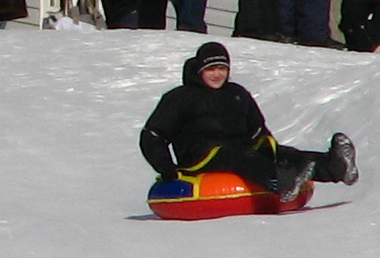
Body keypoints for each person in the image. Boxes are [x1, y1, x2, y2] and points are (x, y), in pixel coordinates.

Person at [138, 40, 357, 201]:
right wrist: (167, 169)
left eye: (222, 69)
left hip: (240, 150)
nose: (217, 75)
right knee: (240, 156)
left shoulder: (236, 93)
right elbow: (153, 135)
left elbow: (257, 129)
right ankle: (279, 181)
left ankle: (334, 166)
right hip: (202, 156)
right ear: (200, 71)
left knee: (278, 153)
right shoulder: (180, 97)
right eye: (211, 69)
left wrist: (272, 152)